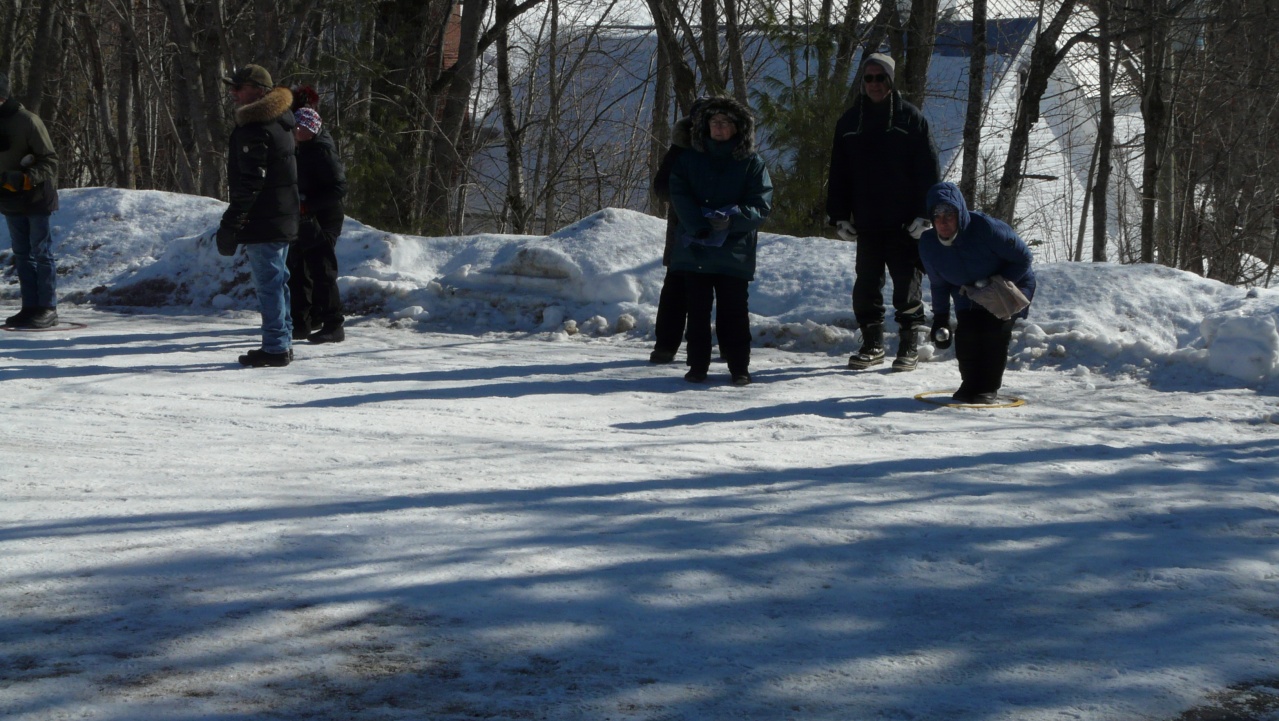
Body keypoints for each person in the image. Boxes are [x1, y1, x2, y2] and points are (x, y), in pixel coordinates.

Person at [826, 52, 940, 372]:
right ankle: (872, 344)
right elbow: (839, 173)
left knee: (907, 287)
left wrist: (925, 214)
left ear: (890, 80)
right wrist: (839, 216)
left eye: (880, 78)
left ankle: (908, 346)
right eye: (869, 78)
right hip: (867, 221)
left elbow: (928, 170)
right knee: (866, 287)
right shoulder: (849, 122)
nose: (874, 84)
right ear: (862, 82)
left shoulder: (911, 119)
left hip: (904, 223)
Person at [666, 96, 772, 386]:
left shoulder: (752, 163)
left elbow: (761, 205)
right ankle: (697, 366)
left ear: (738, 128)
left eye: (725, 122)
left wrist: (732, 220)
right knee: (697, 312)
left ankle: (739, 368)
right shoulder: (689, 159)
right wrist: (699, 226)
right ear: (705, 126)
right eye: (714, 122)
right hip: (696, 247)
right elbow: (678, 194)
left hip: (734, 251)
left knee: (734, 313)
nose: (719, 127)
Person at [918, 181, 1036, 405]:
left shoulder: (986, 228)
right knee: (967, 335)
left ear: (959, 213)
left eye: (949, 215)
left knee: (993, 331)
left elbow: (1023, 258)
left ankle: (988, 386)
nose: (943, 222)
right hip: (967, 291)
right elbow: (939, 284)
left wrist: (995, 284)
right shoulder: (929, 244)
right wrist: (941, 318)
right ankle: (970, 384)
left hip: (1009, 283)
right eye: (937, 216)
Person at [217, 64, 299, 367]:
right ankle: (282, 342)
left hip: (265, 218)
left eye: (239, 88)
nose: (233, 93)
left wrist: (232, 221)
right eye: (232, 87)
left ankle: (276, 347)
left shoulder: (256, 127)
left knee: (270, 284)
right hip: (280, 215)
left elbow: (251, 182)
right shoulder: (281, 122)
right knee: (278, 281)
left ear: (258, 91)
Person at [647, 97, 710, 364]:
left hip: (721, 229)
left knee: (726, 289)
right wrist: (686, 198)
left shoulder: (730, 147)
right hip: (681, 227)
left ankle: (727, 347)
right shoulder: (680, 147)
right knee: (675, 288)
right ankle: (665, 345)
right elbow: (661, 187)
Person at [0, 72, 60, 329]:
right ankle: (30, 307)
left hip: (35, 196)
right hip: (9, 199)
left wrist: (25, 178)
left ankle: (47, 308)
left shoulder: (28, 121)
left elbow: (50, 161)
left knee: (41, 253)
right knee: (22, 255)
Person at [289, 106, 347, 343]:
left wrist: (309, 205)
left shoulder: (322, 151)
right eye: (295, 126)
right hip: (305, 218)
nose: (295, 131)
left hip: (325, 218)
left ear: (311, 129)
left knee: (322, 269)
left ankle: (334, 323)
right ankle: (304, 321)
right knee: (299, 268)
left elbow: (339, 188)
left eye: (299, 127)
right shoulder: (301, 148)